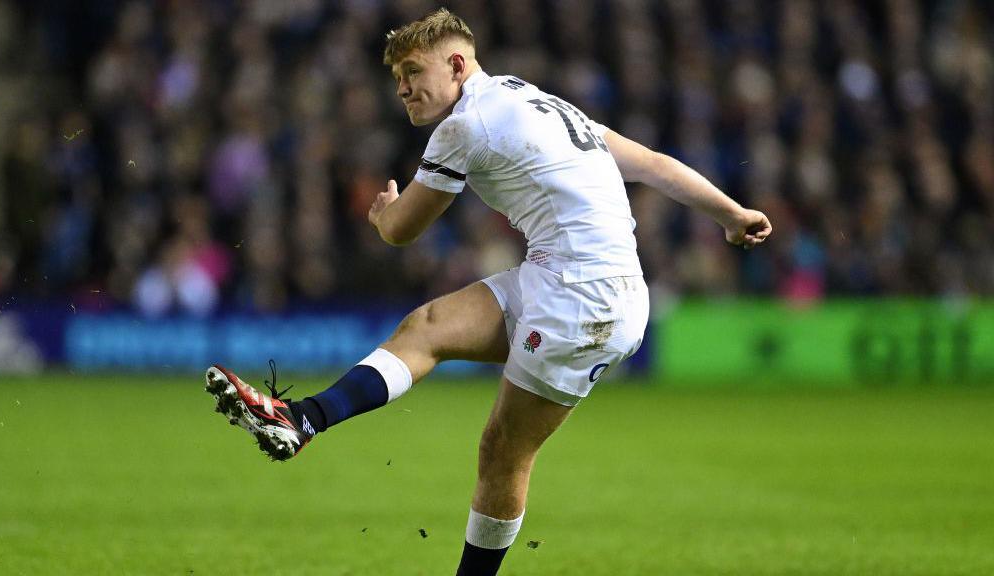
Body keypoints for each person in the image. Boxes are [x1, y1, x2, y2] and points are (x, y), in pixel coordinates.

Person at [204, 8, 771, 575]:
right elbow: (650, 164)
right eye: (396, 76)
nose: (402, 87)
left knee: (503, 455)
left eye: (412, 70)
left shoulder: (464, 126)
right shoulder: (538, 101)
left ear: (456, 64)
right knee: (425, 329)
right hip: (571, 280)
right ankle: (301, 420)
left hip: (580, 299)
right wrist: (731, 212)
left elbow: (403, 230)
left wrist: (382, 215)